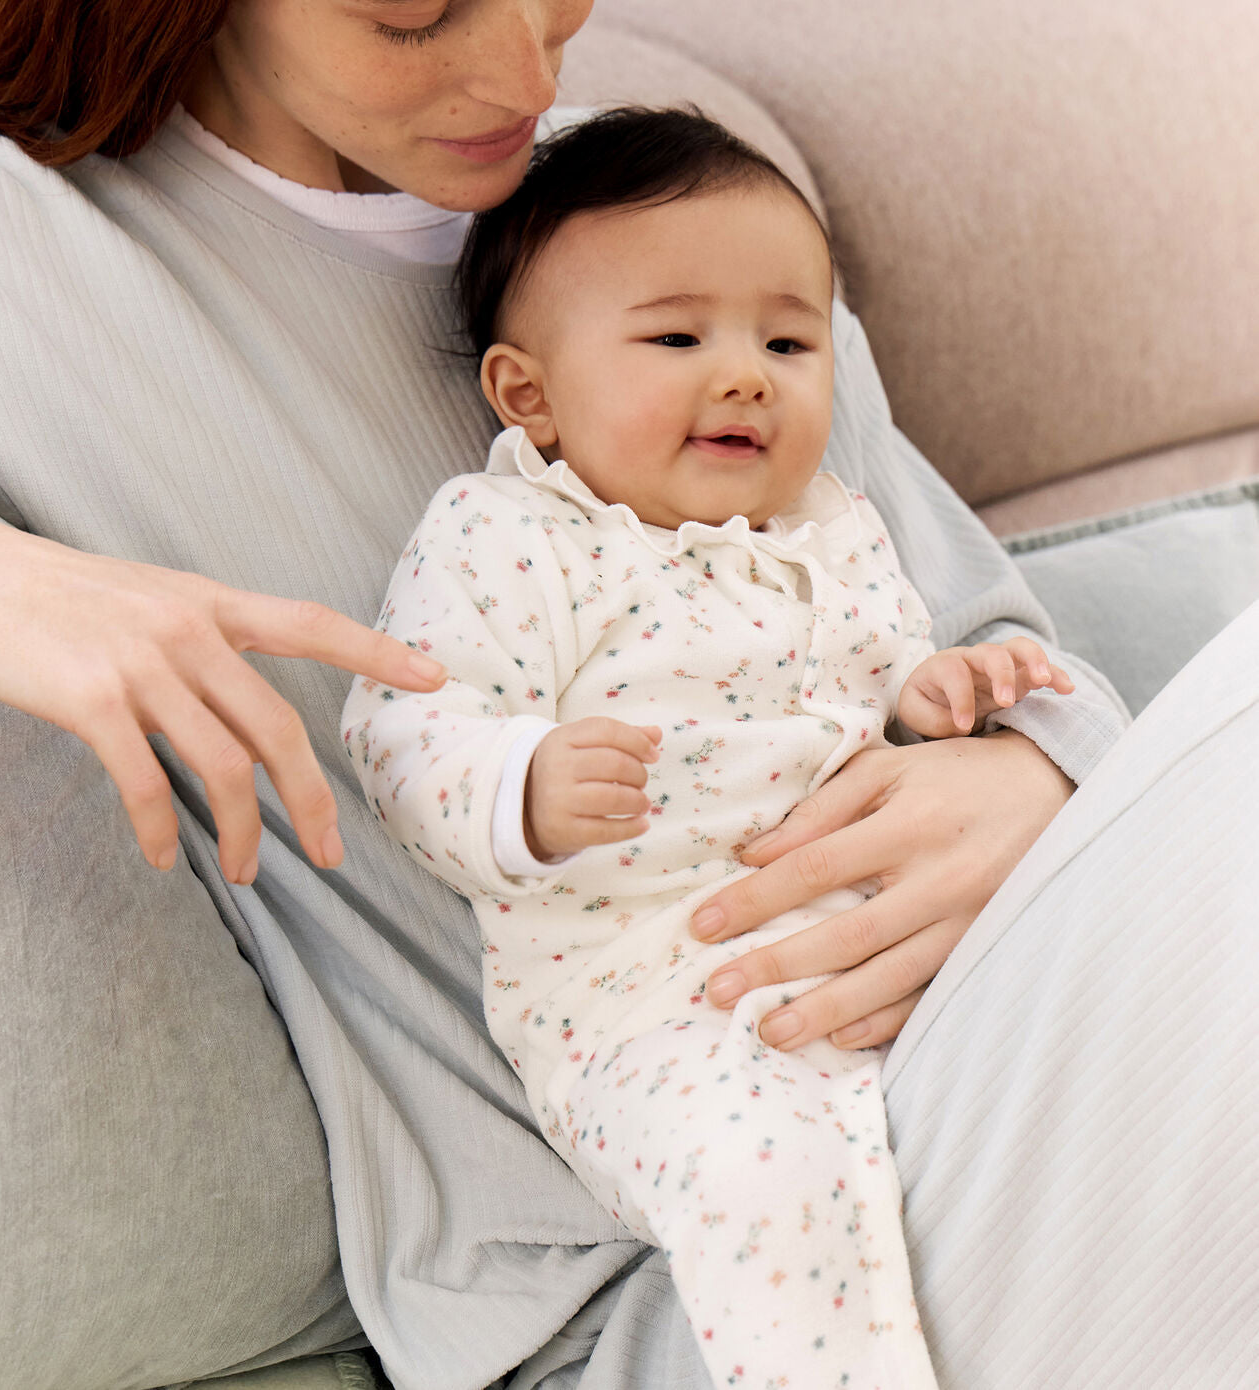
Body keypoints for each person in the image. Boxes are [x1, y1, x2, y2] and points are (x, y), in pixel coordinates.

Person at [0, 2, 1253, 1387]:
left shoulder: (676, 213)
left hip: (969, 1062)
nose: (526, 74)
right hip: (680, 1274)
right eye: (415, 15)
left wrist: (1026, 769)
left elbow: (980, 632)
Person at [342, 106, 1079, 1389]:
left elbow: (882, 682)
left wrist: (947, 689)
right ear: (531, 395)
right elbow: (404, 728)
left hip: (888, 948)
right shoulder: (511, 535)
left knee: (1068, 1071)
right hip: (654, 1000)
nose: (745, 373)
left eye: (787, 341)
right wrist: (521, 785)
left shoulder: (831, 530)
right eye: (679, 337)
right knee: (767, 1186)